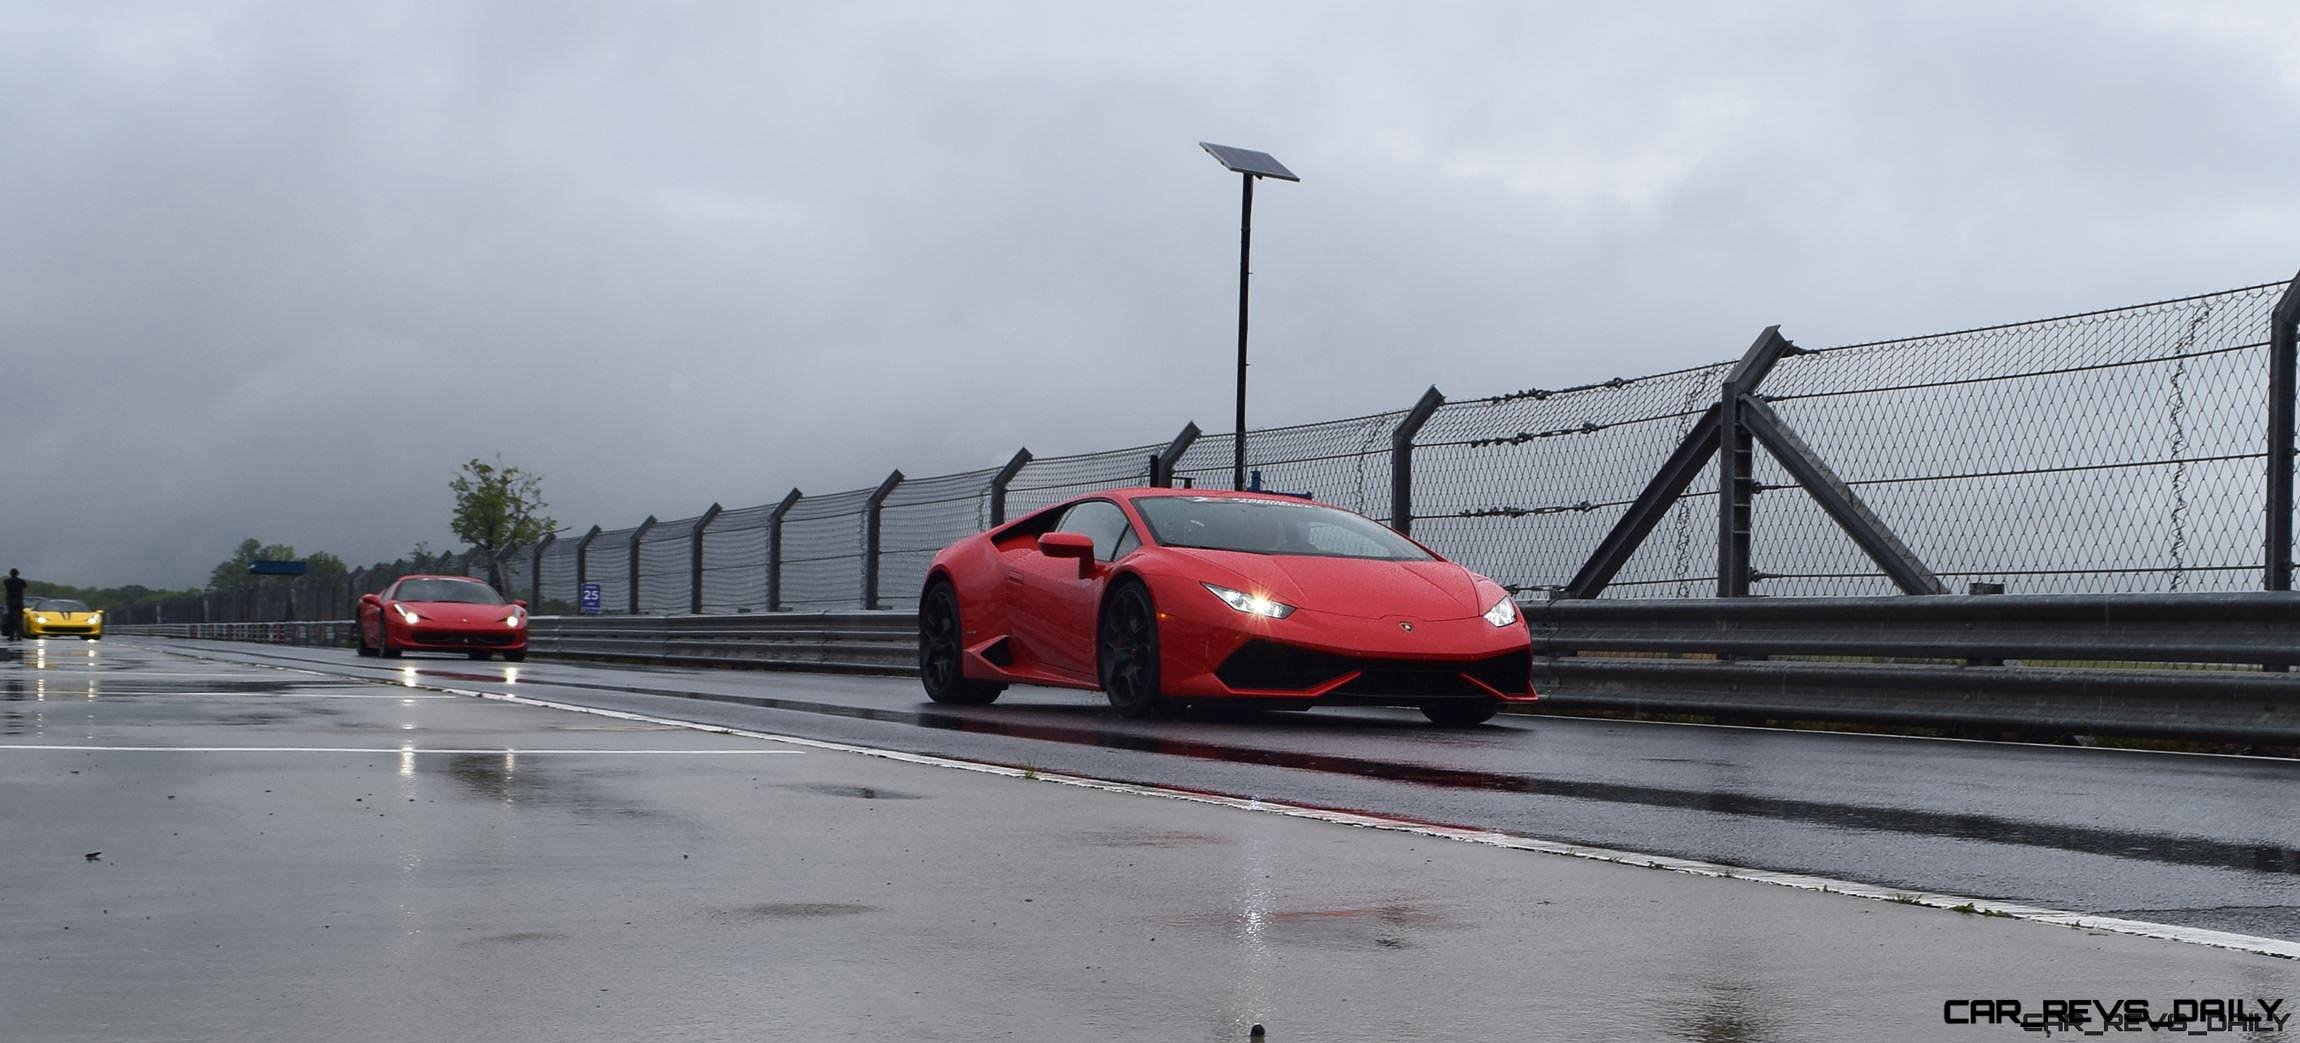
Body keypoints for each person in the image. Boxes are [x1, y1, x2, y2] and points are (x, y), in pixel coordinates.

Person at [2, 569, 24, 642]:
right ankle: (19, 636)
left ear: (10, 574)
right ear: (18, 574)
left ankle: (11, 636)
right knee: (20, 619)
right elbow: (25, 586)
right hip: (19, 601)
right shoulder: (21, 581)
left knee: (10, 618)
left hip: (10, 601)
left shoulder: (7, 581)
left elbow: (5, 584)